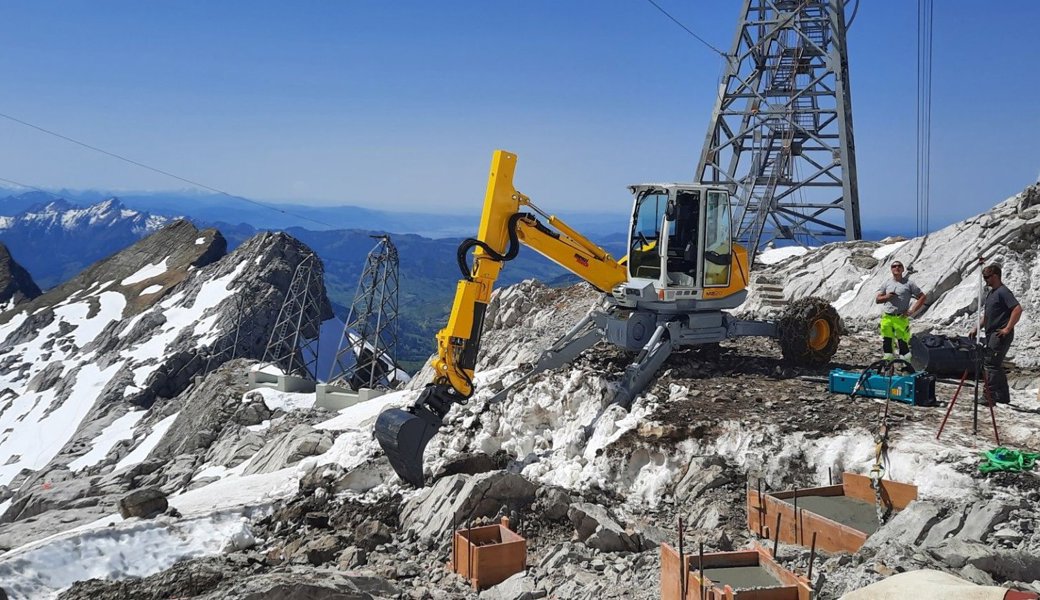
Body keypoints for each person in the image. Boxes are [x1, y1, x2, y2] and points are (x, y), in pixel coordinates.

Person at [970, 264, 1023, 405]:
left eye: (987, 277)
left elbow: (1017, 309)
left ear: (995, 276)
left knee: (990, 364)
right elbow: (988, 315)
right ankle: (1002, 396)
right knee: (996, 364)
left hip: (999, 334)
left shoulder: (1003, 292)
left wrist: (1007, 328)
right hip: (991, 333)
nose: (985, 280)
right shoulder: (991, 293)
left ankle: (989, 396)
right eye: (984, 277)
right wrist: (977, 328)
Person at [875, 261, 927, 360]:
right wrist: (887, 297)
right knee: (887, 342)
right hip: (887, 317)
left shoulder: (909, 284)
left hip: (901, 318)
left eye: (899, 266)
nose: (897, 268)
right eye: (894, 266)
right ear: (891, 269)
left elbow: (922, 297)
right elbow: (878, 300)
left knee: (903, 343)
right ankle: (888, 364)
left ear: (903, 269)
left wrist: (911, 311)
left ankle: (906, 365)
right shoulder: (887, 283)